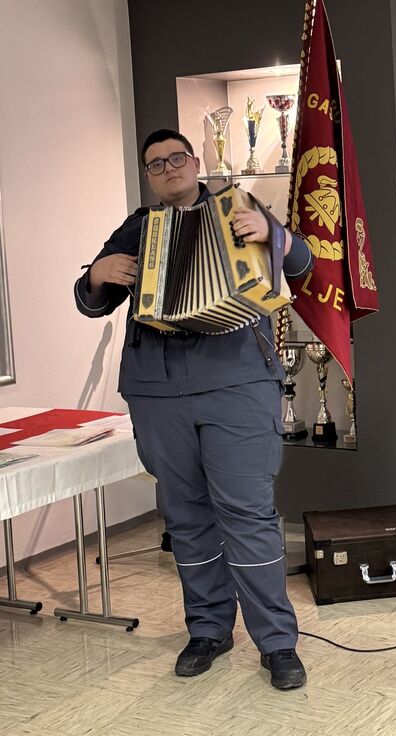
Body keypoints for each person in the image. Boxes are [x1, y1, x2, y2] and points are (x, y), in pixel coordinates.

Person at [75, 130, 313, 688]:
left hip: (236, 381)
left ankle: (277, 642)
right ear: (148, 175)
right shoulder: (139, 227)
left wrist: (276, 235)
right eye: (155, 164)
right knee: (185, 515)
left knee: (248, 513)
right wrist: (96, 276)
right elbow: (92, 299)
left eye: (176, 158)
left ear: (195, 161)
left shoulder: (240, 208)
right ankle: (208, 630)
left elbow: (302, 263)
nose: (168, 169)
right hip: (157, 389)